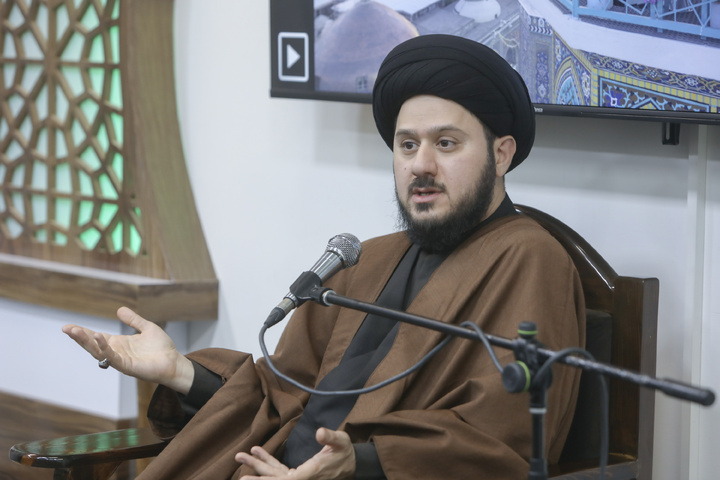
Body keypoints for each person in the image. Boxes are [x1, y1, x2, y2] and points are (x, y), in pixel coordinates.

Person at [63, 34, 585, 480]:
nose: (420, 165)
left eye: (446, 144)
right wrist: (179, 372)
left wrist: (355, 462)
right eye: (406, 146)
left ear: (501, 154)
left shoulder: (531, 258)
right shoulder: (368, 260)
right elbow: (281, 392)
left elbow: (506, 436)